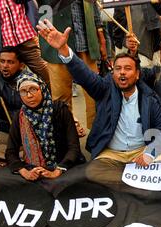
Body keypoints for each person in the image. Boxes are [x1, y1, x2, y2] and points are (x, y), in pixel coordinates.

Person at [37, 19, 161, 185]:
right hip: (112, 154)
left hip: (140, 151)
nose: (122, 73)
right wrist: (63, 49)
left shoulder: (149, 99)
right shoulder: (104, 89)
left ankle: (124, 182)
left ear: (138, 74)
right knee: (93, 172)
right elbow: (85, 75)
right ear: (113, 73)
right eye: (118, 69)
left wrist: (149, 154)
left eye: (127, 69)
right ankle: (129, 182)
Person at [37, 0, 107, 131]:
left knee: (95, 93)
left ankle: (98, 137)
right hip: (55, 42)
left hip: (86, 40)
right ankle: (68, 139)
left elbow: (93, 6)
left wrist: (101, 37)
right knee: (61, 99)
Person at [5, 71, 84, 181]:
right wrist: (25, 173)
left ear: (42, 88)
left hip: (64, 166)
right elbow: (10, 152)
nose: (29, 95)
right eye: (23, 91)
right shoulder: (20, 116)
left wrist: (56, 171)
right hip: (33, 169)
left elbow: (74, 148)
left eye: (33, 89)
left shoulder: (60, 110)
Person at [0, 0, 50, 86]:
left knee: (45, 72)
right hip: (5, 44)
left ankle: (54, 98)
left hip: (26, 37)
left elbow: (32, 5)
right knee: (6, 81)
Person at [0, 47, 25, 134]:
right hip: (2, 128)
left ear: (21, 65)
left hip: (24, 129)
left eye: (10, 62)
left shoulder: (28, 82)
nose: (5, 66)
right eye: (2, 61)